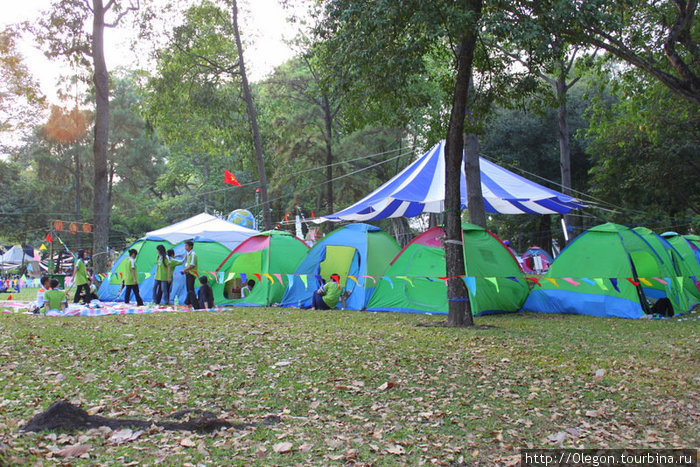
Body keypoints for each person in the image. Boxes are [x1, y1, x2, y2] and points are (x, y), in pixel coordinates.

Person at [182, 240, 198, 308]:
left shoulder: (193, 254)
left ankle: (193, 302)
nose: (185, 247)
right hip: (188, 273)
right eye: (185, 245)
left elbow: (192, 265)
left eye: (186, 245)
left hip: (192, 273)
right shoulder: (188, 254)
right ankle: (189, 302)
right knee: (188, 288)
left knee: (191, 289)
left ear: (190, 246)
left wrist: (185, 270)